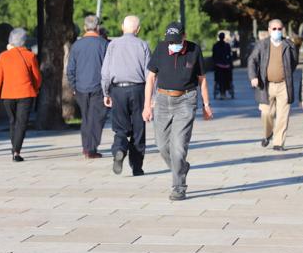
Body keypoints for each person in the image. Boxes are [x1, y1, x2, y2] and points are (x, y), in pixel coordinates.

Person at [142, 22, 213, 201]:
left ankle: (179, 187)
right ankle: (181, 167)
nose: (172, 44)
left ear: (184, 36)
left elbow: (202, 79)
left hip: (186, 100)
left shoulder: (194, 50)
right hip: (163, 101)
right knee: (162, 145)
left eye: (176, 40)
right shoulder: (161, 48)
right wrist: (146, 105)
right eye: (170, 41)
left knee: (178, 147)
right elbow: (151, 78)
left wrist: (206, 105)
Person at [101, 15, 151, 176]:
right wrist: (151, 98)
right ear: (138, 29)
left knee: (120, 128)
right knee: (138, 129)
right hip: (138, 89)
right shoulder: (143, 45)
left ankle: (119, 149)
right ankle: (137, 167)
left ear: (123, 27)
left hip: (118, 90)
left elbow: (106, 72)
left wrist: (106, 92)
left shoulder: (113, 45)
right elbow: (149, 73)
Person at [0, 28, 42, 162]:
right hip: (25, 93)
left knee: (13, 121)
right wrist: (36, 89)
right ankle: (16, 151)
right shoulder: (30, 56)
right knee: (21, 123)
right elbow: (37, 77)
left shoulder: (3, 56)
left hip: (7, 95)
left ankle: (14, 148)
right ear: (24, 41)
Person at [248, 19, 298, 151]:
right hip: (266, 85)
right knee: (266, 113)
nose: (277, 31)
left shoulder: (289, 45)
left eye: (279, 29)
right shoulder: (262, 45)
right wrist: (253, 76)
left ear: (283, 30)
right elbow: (252, 60)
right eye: (274, 29)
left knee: (283, 115)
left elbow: (293, 62)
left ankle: (278, 142)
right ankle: (268, 133)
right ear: (269, 30)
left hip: (284, 85)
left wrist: (285, 74)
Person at [67, 15, 109, 159]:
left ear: (85, 27)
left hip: (80, 88)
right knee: (96, 118)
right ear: (97, 27)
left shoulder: (76, 45)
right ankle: (91, 148)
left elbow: (70, 69)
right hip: (98, 87)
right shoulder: (104, 44)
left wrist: (73, 86)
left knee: (85, 118)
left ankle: (86, 147)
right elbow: (108, 68)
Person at [212, 32, 233, 99]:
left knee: (219, 79)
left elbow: (214, 57)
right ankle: (225, 90)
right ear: (224, 37)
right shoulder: (227, 45)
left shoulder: (215, 45)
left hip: (218, 66)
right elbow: (229, 56)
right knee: (227, 79)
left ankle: (222, 92)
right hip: (226, 66)